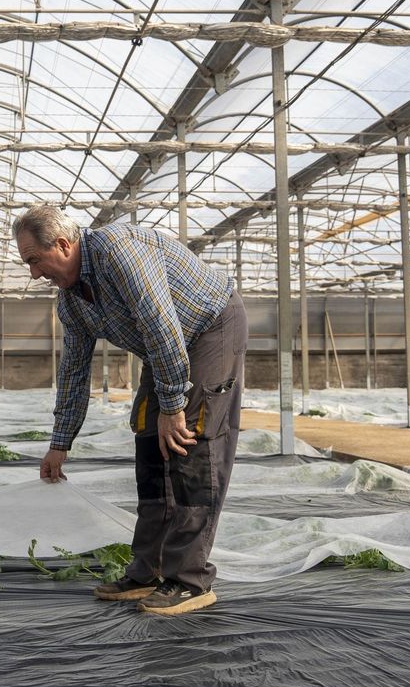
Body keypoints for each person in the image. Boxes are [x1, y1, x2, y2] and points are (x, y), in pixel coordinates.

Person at [13, 204, 246, 616]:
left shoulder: (118, 251)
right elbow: (73, 372)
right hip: (167, 348)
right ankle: (148, 570)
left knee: (190, 439)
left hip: (210, 328)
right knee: (147, 437)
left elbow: (161, 324)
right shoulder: (71, 302)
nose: (34, 273)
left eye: (34, 260)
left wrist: (173, 406)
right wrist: (59, 443)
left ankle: (190, 580)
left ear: (64, 245)